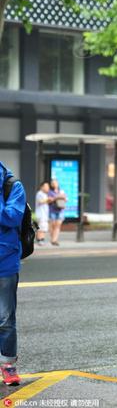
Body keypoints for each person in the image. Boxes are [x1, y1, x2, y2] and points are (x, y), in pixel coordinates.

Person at [0, 161, 25, 385]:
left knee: (5, 318)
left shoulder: (12, 185)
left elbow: (11, 217)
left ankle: (8, 364)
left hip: (5, 261)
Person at [47, 179, 66, 246]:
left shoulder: (61, 191)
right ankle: (53, 239)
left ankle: (54, 240)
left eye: (55, 183)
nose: (54, 184)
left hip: (60, 210)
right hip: (52, 210)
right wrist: (58, 197)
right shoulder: (49, 192)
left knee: (58, 225)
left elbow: (65, 199)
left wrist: (56, 197)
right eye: (53, 183)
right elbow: (49, 200)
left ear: (58, 184)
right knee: (52, 225)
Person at [35, 181, 50, 246]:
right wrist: (48, 199)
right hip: (41, 214)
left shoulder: (45, 194)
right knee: (41, 228)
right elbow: (40, 202)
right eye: (46, 186)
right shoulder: (39, 193)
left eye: (48, 186)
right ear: (42, 187)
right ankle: (39, 240)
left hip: (44, 214)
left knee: (43, 228)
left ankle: (41, 239)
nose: (48, 188)